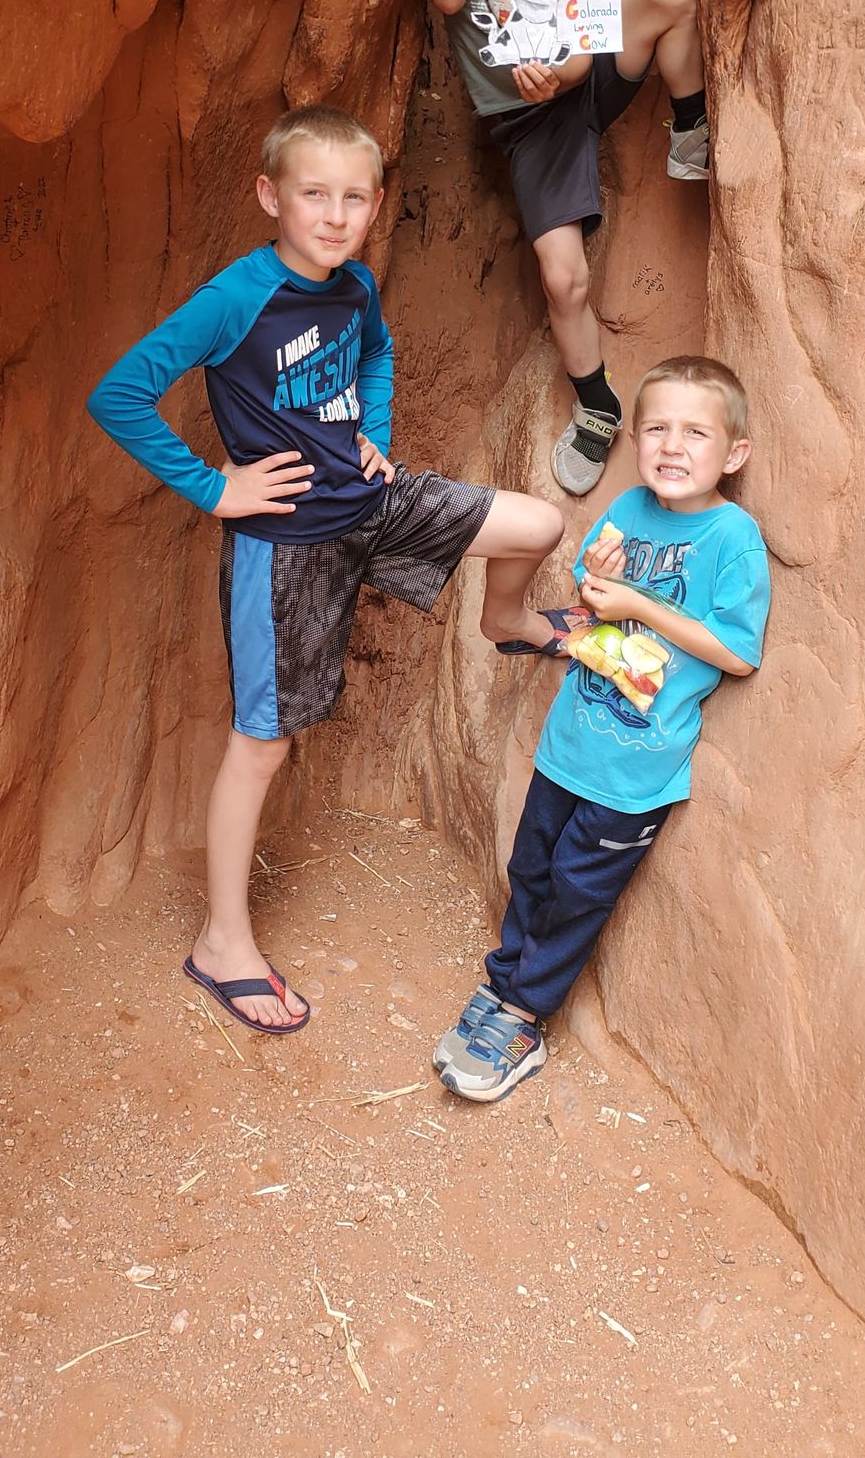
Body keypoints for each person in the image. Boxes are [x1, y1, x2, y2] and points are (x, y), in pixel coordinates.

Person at [87, 105, 577, 1035]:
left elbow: (377, 353)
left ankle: (506, 620)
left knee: (538, 523)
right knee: (262, 745)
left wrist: (372, 434)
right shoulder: (238, 297)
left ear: (376, 205)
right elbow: (121, 394)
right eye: (314, 194)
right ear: (271, 196)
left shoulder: (354, 286)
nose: (335, 214)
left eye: (355, 198)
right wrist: (215, 489)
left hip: (369, 507)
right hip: (285, 548)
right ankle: (221, 943)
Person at [435, 356, 770, 1102]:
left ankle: (523, 1018)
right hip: (570, 742)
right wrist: (596, 576)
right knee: (531, 868)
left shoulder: (733, 538)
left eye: (695, 433)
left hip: (635, 772)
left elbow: (738, 653)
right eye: (656, 429)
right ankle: (504, 982)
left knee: (576, 891)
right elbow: (592, 598)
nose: (672, 447)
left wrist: (639, 605)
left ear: (734, 454)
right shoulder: (627, 505)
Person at [428, 0, 709, 499]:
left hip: (575, 84)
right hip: (528, 124)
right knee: (564, 277)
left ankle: (691, 129)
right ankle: (597, 404)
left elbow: (580, 45)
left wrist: (559, 75)